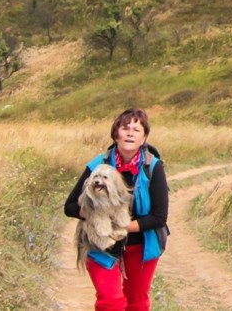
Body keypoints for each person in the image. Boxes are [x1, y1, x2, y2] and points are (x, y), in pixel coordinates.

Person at [64, 108, 169, 311]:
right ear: (115, 134)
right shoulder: (97, 166)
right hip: (100, 243)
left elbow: (159, 217)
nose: (130, 133)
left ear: (144, 137)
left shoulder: (153, 167)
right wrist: (96, 216)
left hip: (141, 244)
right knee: (110, 302)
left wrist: (121, 229)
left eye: (136, 130)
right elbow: (69, 207)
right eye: (125, 128)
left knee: (137, 302)